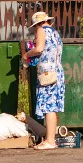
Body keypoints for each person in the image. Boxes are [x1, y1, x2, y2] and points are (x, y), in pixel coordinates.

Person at [21, 11, 65, 150]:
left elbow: (39, 49)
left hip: (47, 73)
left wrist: (26, 54)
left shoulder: (41, 30)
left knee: (49, 106)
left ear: (37, 24)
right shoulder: (55, 33)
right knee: (51, 106)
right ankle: (49, 139)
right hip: (57, 71)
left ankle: (50, 141)